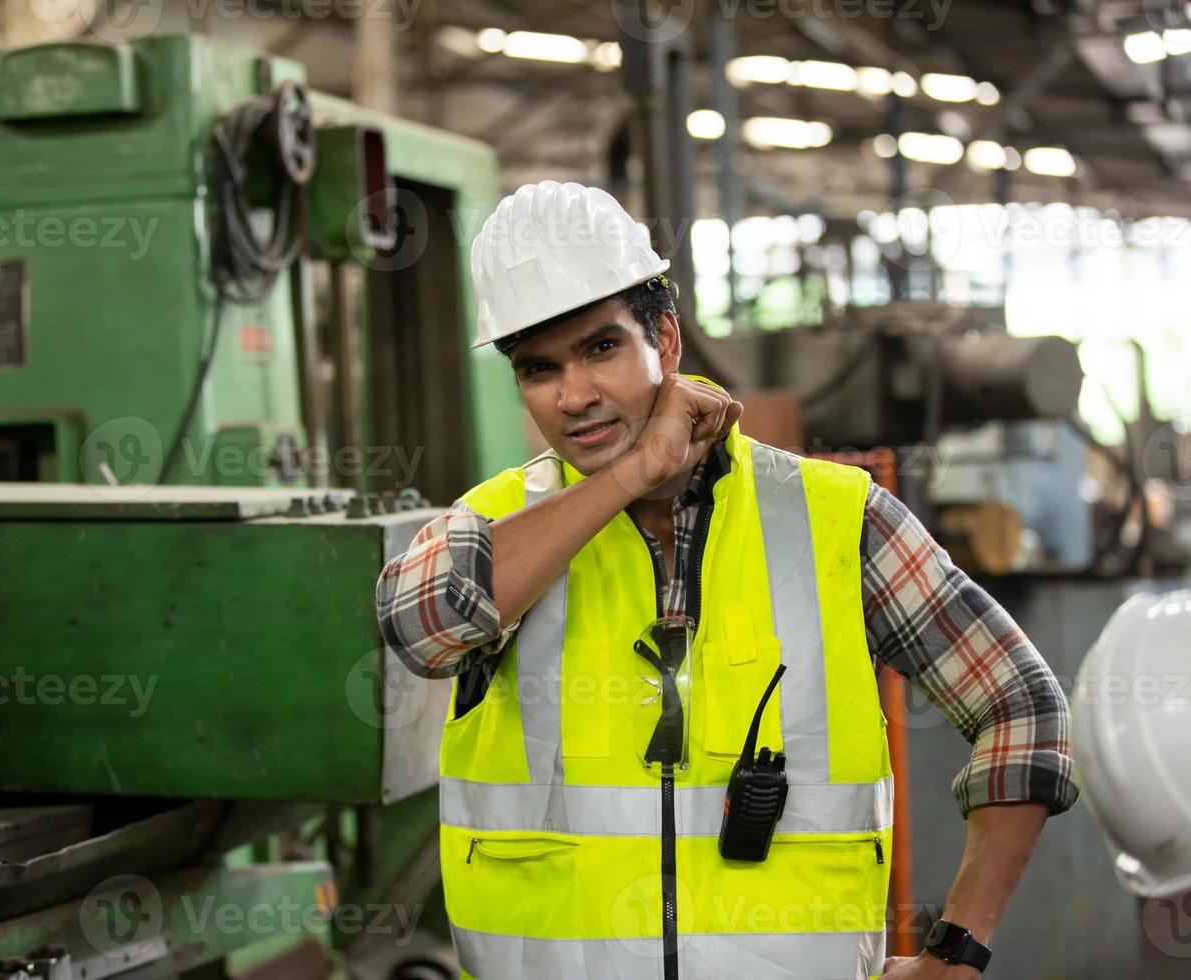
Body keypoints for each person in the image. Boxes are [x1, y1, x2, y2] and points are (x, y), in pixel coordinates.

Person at [375, 181, 1077, 979]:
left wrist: (958, 952)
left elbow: (1022, 708)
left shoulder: (836, 518)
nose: (573, 395)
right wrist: (633, 470)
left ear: (665, 340)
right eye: (539, 369)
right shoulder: (499, 524)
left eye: (601, 348)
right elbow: (419, 627)